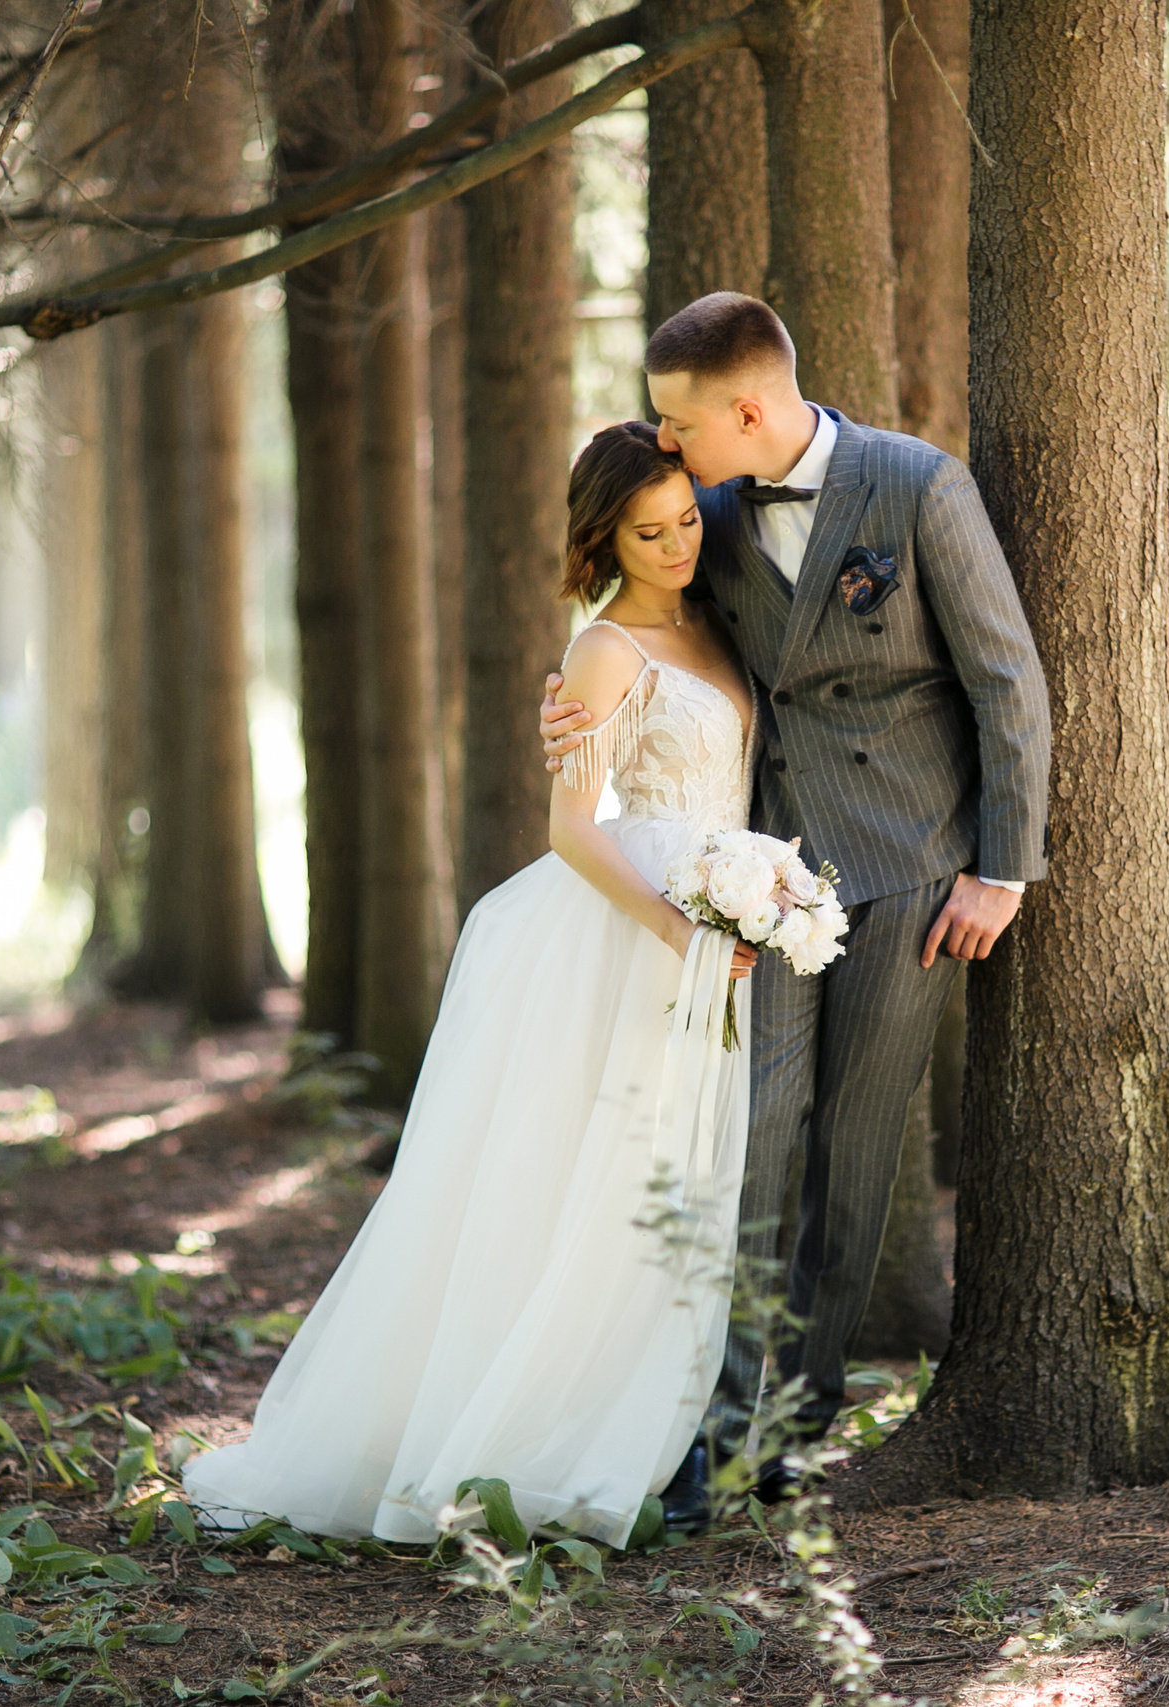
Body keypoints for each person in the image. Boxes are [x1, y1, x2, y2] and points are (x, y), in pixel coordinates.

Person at [182, 423, 762, 1547]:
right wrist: (678, 931)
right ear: (605, 538)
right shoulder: (603, 652)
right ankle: (538, 1442)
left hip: (713, 920)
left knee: (671, 1183)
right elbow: (568, 828)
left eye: (689, 519)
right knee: (594, 1186)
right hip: (628, 932)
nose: (678, 543)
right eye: (650, 532)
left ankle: (642, 1433)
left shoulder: (713, 613)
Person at [540, 293, 1052, 1528]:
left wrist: (1001, 868)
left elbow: (1006, 680)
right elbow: (648, 621)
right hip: (762, 880)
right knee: (755, 1136)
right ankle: (708, 1436)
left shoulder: (919, 487)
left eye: (677, 421)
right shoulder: (700, 513)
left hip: (916, 873)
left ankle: (793, 1424)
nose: (666, 443)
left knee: (856, 1142)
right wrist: (571, 704)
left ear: (749, 410)